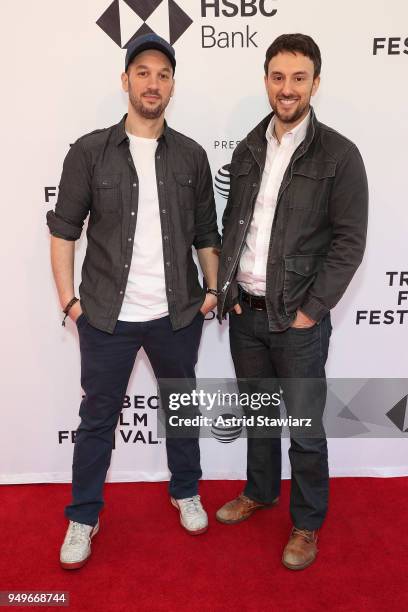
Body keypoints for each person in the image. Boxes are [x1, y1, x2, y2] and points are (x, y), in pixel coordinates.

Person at [47, 33, 220, 570]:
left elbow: (205, 234)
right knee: (97, 418)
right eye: (142, 72)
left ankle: (185, 489)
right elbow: (63, 231)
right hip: (105, 316)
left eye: (163, 74)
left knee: (181, 411)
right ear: (126, 81)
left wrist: (212, 290)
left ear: (172, 85)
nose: (153, 82)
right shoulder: (89, 151)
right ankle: (83, 515)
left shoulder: (191, 154)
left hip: (176, 314)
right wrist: (69, 302)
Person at [216, 33, 368, 570]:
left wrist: (312, 310)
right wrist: (230, 292)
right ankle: (260, 492)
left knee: (305, 429)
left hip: (298, 322)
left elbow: (350, 242)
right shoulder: (248, 148)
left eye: (298, 78)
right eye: (278, 77)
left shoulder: (339, 156)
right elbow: (237, 225)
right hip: (246, 315)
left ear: (315, 83)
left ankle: (306, 525)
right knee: (259, 417)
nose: (287, 88)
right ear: (266, 81)